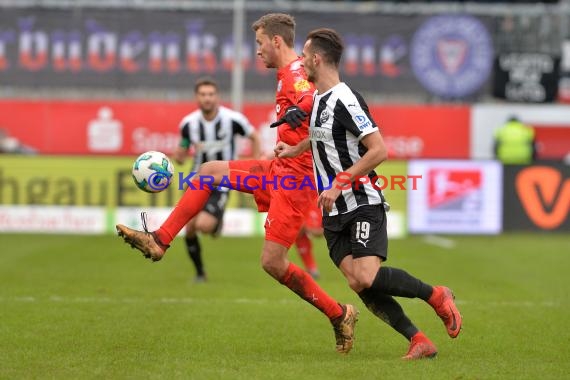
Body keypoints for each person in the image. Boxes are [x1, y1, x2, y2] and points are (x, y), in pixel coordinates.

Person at [116, 14, 358, 354]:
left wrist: (301, 109)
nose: (257, 51)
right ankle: (160, 240)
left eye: (259, 44)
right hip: (277, 168)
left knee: (272, 263)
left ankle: (339, 313)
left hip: (296, 182)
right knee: (208, 171)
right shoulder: (287, 74)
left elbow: (313, 95)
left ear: (276, 41)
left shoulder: (296, 73)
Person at [274, 28, 463, 360]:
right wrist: (296, 149)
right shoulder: (319, 97)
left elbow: (378, 150)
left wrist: (338, 183)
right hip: (334, 209)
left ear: (316, 59)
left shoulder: (346, 99)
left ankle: (436, 295)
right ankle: (418, 339)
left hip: (360, 200)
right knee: (358, 283)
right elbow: (324, 137)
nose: (301, 61)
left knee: (366, 275)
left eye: (304, 55)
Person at [173, 77, 261, 283]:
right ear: (197, 97)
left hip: (222, 180)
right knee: (190, 228)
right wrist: (178, 155)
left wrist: (255, 166)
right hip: (197, 178)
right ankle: (200, 273)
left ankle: (216, 223)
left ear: (217, 97)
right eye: (203, 95)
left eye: (211, 94)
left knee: (204, 225)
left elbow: (254, 137)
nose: (207, 99)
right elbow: (182, 152)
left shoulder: (232, 119)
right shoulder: (188, 124)